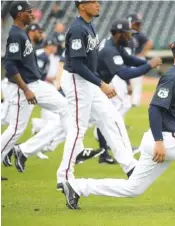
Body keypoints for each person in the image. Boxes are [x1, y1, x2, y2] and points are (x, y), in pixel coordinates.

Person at [61, 36, 175, 211]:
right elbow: (154, 109)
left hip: (163, 138)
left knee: (133, 188)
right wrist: (159, 142)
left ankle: (78, 187)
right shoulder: (173, 77)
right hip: (165, 139)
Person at [56, 0, 143, 188]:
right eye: (93, 2)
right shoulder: (78, 29)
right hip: (76, 81)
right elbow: (78, 65)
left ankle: (129, 166)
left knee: (111, 117)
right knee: (78, 129)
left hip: (87, 81)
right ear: (81, 6)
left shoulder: (90, 26)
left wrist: (97, 83)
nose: (98, 4)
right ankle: (64, 177)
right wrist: (101, 83)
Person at [2, 1, 69, 175]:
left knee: (66, 108)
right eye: (28, 11)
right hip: (22, 87)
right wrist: (25, 89)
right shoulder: (16, 35)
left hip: (36, 84)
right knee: (16, 129)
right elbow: (10, 66)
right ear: (19, 14)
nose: (32, 14)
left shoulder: (22, 34)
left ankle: (24, 150)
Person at [93, 19, 162, 164]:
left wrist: (146, 63)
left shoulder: (114, 44)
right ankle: (122, 153)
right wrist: (149, 65)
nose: (131, 37)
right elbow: (124, 74)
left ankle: (110, 154)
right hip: (90, 87)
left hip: (96, 86)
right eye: (128, 34)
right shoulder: (109, 50)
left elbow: (129, 59)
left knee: (107, 119)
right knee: (71, 124)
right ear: (119, 34)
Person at [126, 13, 153, 107]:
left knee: (137, 82)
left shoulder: (139, 34)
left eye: (139, 23)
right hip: (128, 59)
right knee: (127, 80)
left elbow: (149, 43)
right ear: (130, 23)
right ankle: (128, 101)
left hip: (136, 59)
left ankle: (135, 102)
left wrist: (141, 54)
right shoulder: (124, 33)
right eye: (136, 23)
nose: (139, 25)